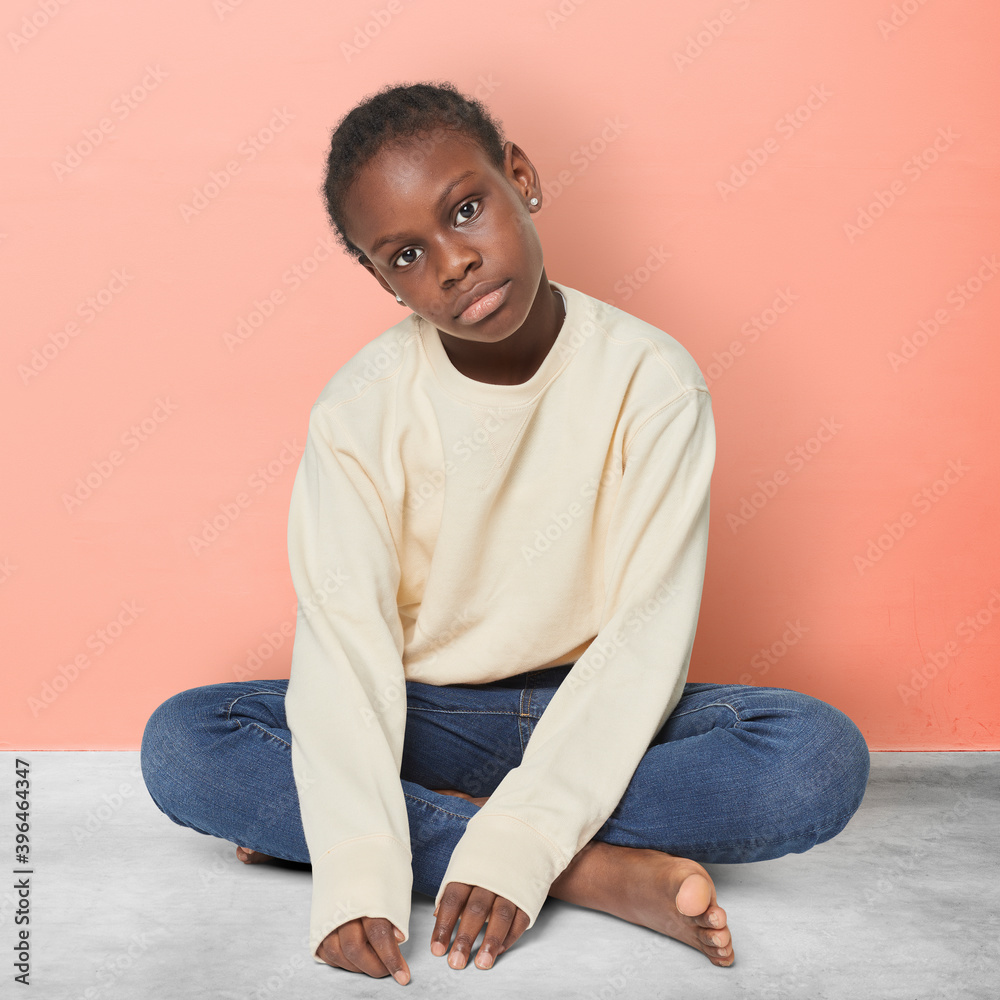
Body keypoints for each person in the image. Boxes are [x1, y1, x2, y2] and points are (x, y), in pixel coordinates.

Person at [140, 81, 870, 987]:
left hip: (605, 707)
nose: (454, 263)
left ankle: (450, 829)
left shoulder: (652, 382)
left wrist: (380, 834)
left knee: (815, 760)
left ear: (521, 178)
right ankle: (585, 868)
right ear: (380, 279)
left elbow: (646, 642)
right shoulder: (358, 412)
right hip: (425, 714)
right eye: (408, 253)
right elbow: (345, 651)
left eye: (468, 210)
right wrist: (358, 877)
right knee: (185, 742)